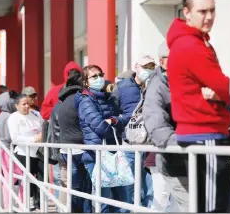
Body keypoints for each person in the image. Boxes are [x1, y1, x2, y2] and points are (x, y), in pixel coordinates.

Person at [166, 0, 230, 212]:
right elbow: (224, 86)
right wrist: (225, 93)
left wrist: (221, 94)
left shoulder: (194, 41)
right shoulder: (191, 45)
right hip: (205, 133)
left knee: (209, 204)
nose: (209, 17)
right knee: (213, 208)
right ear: (187, 13)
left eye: (212, 11)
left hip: (202, 133)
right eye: (203, 11)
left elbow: (220, 87)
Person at [75, 65, 128, 213]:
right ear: (86, 82)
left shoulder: (108, 98)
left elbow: (122, 120)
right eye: (94, 76)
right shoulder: (86, 101)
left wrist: (115, 122)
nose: (99, 78)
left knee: (122, 199)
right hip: (96, 156)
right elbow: (101, 128)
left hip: (113, 154)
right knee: (103, 201)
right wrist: (115, 123)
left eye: (100, 75)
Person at [143, 41, 187, 212]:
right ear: (163, 62)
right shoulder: (156, 86)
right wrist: (189, 143)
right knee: (162, 199)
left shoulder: (186, 81)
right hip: (173, 158)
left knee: (176, 205)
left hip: (193, 160)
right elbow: (157, 127)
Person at [112, 56, 156, 208]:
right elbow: (112, 110)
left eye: (151, 67)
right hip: (130, 143)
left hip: (151, 144)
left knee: (150, 186)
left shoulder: (155, 85)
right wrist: (122, 127)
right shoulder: (122, 87)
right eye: (145, 67)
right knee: (129, 184)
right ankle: (129, 210)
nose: (148, 71)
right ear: (136, 67)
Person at [57, 69, 92, 213]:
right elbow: (89, 122)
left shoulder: (64, 100)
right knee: (83, 189)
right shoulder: (80, 98)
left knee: (74, 187)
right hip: (80, 148)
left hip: (66, 148)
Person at [7, 94, 44, 211]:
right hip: (23, 153)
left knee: (42, 179)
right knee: (25, 180)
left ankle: (40, 203)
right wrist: (33, 139)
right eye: (24, 104)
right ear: (16, 106)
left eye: (28, 103)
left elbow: (43, 127)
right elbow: (15, 138)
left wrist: (42, 136)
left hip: (39, 153)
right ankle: (26, 202)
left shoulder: (35, 114)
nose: (27, 106)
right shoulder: (13, 118)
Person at [0, 90, 23, 210]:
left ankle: (9, 205)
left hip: (2, 148)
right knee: (15, 177)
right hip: (7, 150)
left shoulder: (2, 115)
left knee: (8, 178)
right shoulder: (8, 117)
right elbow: (9, 137)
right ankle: (16, 204)